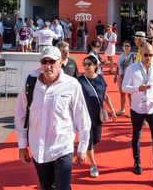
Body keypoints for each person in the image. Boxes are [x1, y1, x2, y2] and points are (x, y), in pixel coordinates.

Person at [14, 46, 91, 190]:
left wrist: (82, 147)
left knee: (62, 187)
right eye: (44, 62)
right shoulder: (30, 82)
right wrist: (22, 145)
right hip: (39, 148)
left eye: (52, 62)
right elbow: (20, 114)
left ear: (60, 62)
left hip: (62, 147)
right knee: (46, 187)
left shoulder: (72, 85)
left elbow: (82, 117)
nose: (48, 66)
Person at [122, 43, 153, 183]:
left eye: (151, 55)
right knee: (136, 136)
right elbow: (124, 87)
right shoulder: (132, 69)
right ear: (140, 54)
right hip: (137, 108)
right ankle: (137, 162)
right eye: (146, 54)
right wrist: (138, 88)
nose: (148, 57)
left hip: (152, 108)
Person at [77, 55, 117, 178]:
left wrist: (112, 109)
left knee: (97, 139)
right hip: (85, 116)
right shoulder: (80, 80)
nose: (86, 67)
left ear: (96, 66)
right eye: (84, 64)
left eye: (89, 64)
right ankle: (93, 165)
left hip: (98, 115)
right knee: (89, 141)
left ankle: (84, 149)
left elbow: (105, 95)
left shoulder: (100, 78)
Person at [114, 39, 135, 115]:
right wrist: (115, 76)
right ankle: (122, 109)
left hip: (129, 77)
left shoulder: (133, 56)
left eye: (128, 46)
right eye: (124, 45)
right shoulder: (120, 56)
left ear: (130, 47)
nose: (126, 47)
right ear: (122, 47)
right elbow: (117, 66)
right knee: (122, 94)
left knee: (130, 95)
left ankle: (132, 111)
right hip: (120, 77)